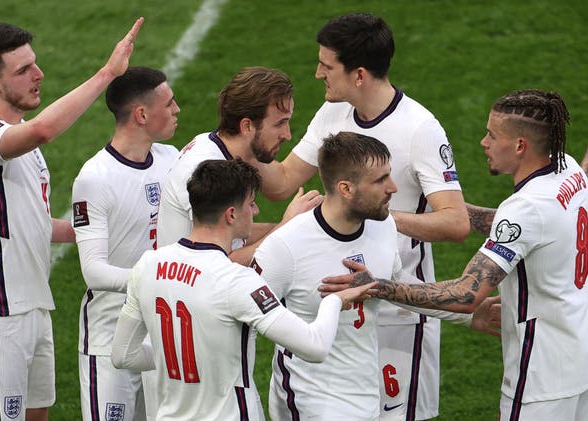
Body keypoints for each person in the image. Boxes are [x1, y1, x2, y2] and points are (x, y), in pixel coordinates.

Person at [322, 90, 588, 421]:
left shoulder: (526, 209)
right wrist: (409, 213)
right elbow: (523, 228)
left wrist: (377, 286)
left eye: (492, 135)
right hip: (578, 357)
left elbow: (465, 293)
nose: (483, 142)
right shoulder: (569, 170)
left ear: (520, 146)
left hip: (542, 375)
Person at [254, 13, 469, 420]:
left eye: (327, 66)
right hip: (334, 304)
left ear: (359, 75)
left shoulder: (420, 128)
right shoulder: (332, 113)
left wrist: (375, 215)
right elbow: (282, 182)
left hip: (399, 312)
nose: (317, 74)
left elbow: (455, 221)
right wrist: (237, 145)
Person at [0, 18, 144, 421]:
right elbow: (43, 131)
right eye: (22, 71)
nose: (38, 75)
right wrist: (108, 74)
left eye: (34, 64)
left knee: (37, 414)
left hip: (33, 307)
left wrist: (100, 230)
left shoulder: (24, 149)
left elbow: (36, 224)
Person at [252, 131, 500, 420]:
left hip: (367, 396)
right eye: (380, 180)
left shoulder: (382, 227)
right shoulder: (285, 246)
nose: (393, 187)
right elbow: (245, 317)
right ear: (346, 188)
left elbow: (398, 286)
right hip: (310, 401)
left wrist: (467, 315)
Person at [110, 158, 375, 420]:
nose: (256, 211)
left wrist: (178, 357)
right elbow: (315, 347)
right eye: (251, 204)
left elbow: (124, 355)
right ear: (231, 214)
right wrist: (335, 301)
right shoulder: (236, 280)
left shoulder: (147, 265)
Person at [71, 66, 180, 421]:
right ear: (142, 114)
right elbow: (94, 272)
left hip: (162, 336)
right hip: (109, 339)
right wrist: (158, 278)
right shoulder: (95, 178)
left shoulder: (172, 159)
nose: (177, 110)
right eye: (170, 103)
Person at [158, 66, 323, 265]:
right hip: (193, 287)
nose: (287, 135)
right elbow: (220, 266)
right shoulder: (205, 170)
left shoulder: (219, 146)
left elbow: (237, 235)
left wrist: (299, 227)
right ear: (246, 126)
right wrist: (288, 228)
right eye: (280, 123)